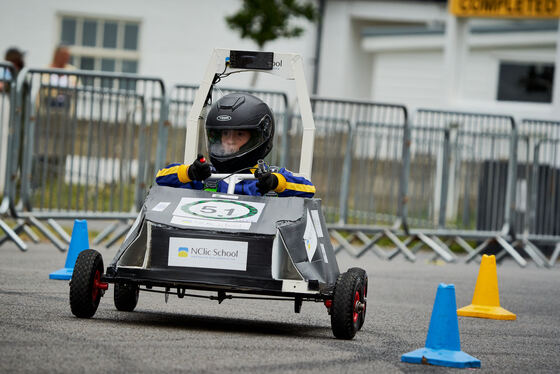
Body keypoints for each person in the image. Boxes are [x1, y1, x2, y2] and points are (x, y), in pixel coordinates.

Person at [156, 93, 315, 197]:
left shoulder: (267, 177)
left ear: (258, 138)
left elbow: (309, 190)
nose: (230, 140)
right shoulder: (205, 175)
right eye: (225, 134)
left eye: (239, 135)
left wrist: (274, 183)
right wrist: (190, 172)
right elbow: (160, 179)